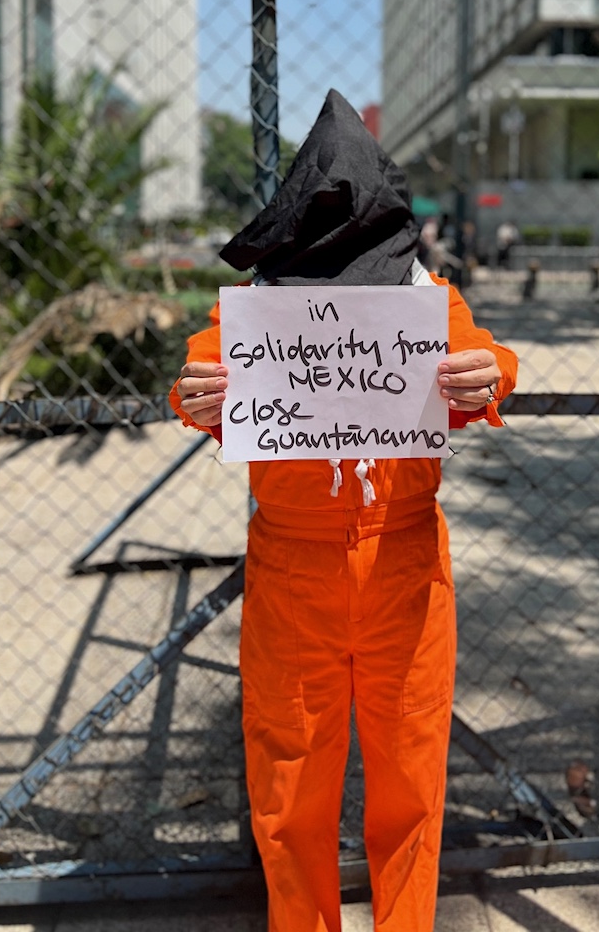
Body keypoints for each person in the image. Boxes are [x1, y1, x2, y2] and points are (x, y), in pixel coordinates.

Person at [169, 90, 518, 932]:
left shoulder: (428, 299)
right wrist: (196, 395)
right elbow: (199, 372)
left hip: (404, 563)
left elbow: (483, 357)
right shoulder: (252, 308)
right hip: (294, 571)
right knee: (289, 790)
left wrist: (492, 376)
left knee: (411, 780)